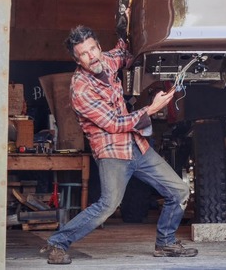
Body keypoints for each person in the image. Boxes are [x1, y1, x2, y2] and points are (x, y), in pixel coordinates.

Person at [40, 14, 197, 264]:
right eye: (84, 54)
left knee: (179, 190)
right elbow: (113, 123)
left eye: (93, 49)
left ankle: (166, 243)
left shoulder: (105, 60)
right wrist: (151, 110)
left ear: (98, 47)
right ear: (77, 60)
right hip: (112, 152)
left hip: (137, 145)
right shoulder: (81, 89)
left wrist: (127, 26)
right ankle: (57, 243)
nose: (92, 56)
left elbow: (123, 53)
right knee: (107, 206)